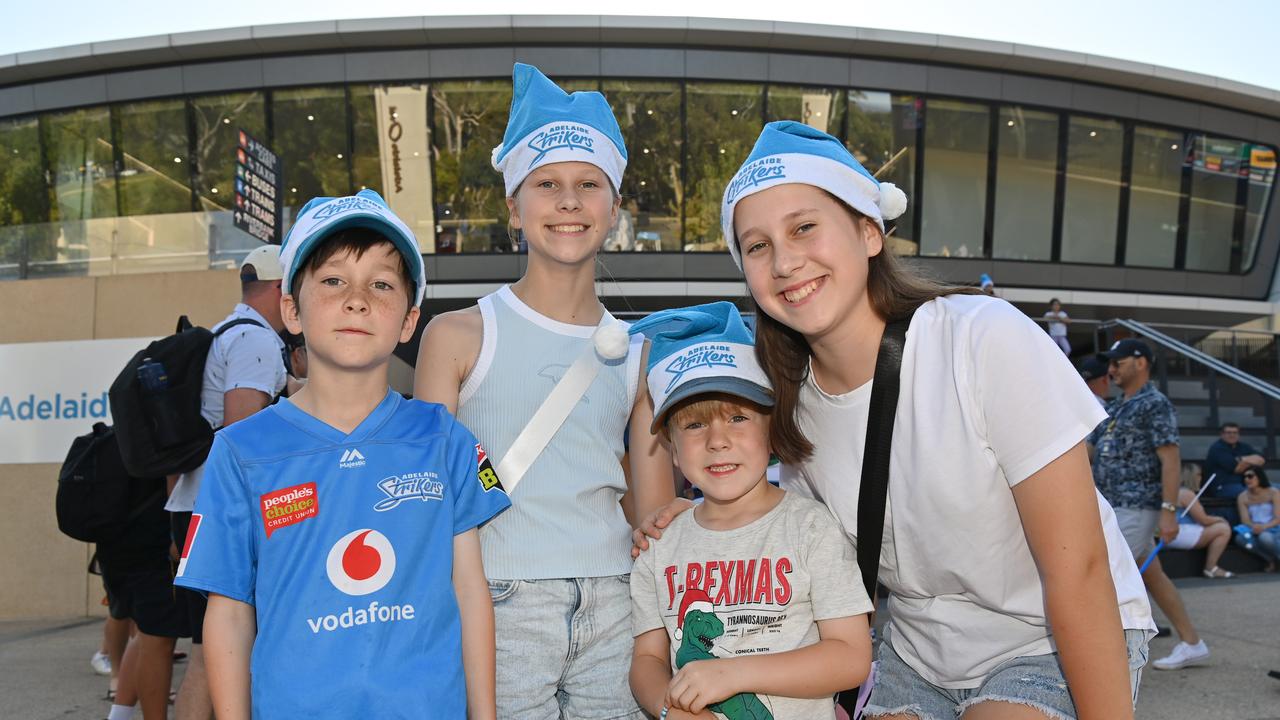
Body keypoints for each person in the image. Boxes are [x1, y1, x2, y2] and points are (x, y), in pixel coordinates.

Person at [639, 121, 1154, 720]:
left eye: (805, 227)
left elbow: (1081, 572)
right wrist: (702, 517)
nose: (784, 261)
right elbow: (795, 538)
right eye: (756, 246)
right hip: (914, 657)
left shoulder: (979, 338)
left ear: (868, 232)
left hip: (1045, 643)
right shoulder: (791, 402)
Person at [174, 189, 511, 719]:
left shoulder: (444, 438)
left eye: (381, 284)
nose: (357, 299)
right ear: (291, 308)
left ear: (408, 321)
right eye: (333, 281)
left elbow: (469, 589)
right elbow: (230, 614)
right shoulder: (240, 452)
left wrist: (484, 715)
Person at [414, 63, 674, 719]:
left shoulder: (642, 353)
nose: (568, 201)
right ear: (514, 205)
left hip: (617, 606)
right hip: (495, 601)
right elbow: (428, 487)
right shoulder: (457, 334)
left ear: (614, 207)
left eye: (589, 184)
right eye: (547, 183)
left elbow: (656, 514)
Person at [628, 302, 873, 720]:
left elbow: (851, 657)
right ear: (670, 446)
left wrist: (733, 674)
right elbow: (647, 659)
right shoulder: (659, 544)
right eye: (694, 425)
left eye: (738, 417)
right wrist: (669, 709)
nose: (717, 440)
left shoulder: (811, 529)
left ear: (773, 431)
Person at [164, 243, 289, 720]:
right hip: (228, 512)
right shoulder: (256, 341)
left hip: (194, 502)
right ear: (281, 289)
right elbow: (242, 431)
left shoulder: (222, 332)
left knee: (209, 647)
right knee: (213, 652)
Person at [1089, 338, 1209, 671]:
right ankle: (1193, 643)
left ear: (1141, 362)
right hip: (1114, 506)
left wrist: (1168, 513)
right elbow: (1089, 451)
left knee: (1108, 580)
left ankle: (1104, 661)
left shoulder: (1154, 404)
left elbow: (1170, 459)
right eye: (1110, 364)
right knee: (1153, 577)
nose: (1111, 369)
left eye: (1118, 362)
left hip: (1137, 507)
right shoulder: (1116, 407)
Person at [1169, 464, 1234, 578]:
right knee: (1223, 529)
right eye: (1199, 475)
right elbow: (1204, 520)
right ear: (1192, 476)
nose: (1201, 478)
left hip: (1169, 533)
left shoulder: (1172, 491)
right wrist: (1221, 519)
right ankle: (1211, 567)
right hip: (1179, 534)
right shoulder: (1186, 494)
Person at [1234, 466, 1280, 571]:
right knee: (1240, 539)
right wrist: (1254, 527)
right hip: (1254, 528)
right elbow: (1245, 520)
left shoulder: (1274, 492)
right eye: (1245, 477)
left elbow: (1278, 518)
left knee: (1265, 538)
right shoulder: (1242, 497)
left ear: (1259, 477)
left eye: (1250, 476)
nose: (1247, 479)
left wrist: (1264, 527)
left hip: (1273, 527)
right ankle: (1269, 559)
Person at [1204, 422, 1265, 502]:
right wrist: (1251, 461)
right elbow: (1237, 469)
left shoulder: (1244, 447)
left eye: (1235, 433)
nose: (1232, 435)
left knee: (1276, 488)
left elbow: (1261, 460)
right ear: (1222, 434)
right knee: (1257, 493)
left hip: (1244, 484)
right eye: (1228, 433)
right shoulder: (1217, 449)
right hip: (1222, 487)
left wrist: (1241, 459)